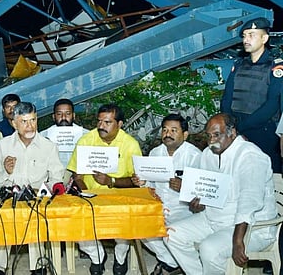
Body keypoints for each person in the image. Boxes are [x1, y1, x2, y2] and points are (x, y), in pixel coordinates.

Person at [166, 113, 277, 274]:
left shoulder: (250, 156)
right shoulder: (208, 154)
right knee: (171, 234)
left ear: (232, 133)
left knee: (209, 249)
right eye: (208, 135)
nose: (211, 140)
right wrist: (197, 203)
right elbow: (205, 192)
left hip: (252, 227)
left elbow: (249, 201)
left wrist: (238, 240)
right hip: (215, 219)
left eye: (217, 135)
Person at [0, 102, 65, 275]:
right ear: (14, 123)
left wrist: (42, 191)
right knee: (1, 220)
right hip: (9, 201)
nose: (30, 126)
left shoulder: (49, 146)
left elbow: (57, 180)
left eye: (33, 120)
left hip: (36, 201)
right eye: (24, 121)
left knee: (36, 218)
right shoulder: (3, 145)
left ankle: (38, 268)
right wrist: (6, 172)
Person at [67, 103, 142, 275]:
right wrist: (86, 194)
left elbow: (136, 181)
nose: (101, 126)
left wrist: (111, 181)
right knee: (76, 224)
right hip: (89, 195)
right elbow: (77, 176)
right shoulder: (86, 140)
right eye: (99, 121)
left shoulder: (130, 144)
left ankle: (121, 257)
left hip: (120, 197)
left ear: (120, 124)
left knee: (124, 227)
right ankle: (97, 257)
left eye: (107, 122)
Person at [131, 114, 201, 275]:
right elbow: (150, 184)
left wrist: (184, 187)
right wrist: (142, 182)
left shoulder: (195, 156)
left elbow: (202, 192)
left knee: (170, 231)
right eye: (164, 130)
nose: (167, 134)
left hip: (184, 210)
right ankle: (170, 261)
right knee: (136, 226)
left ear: (185, 135)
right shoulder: (155, 153)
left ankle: (172, 264)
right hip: (159, 206)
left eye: (173, 130)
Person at [220, 17, 282, 173]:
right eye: (244, 36)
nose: (246, 39)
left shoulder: (275, 66)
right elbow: (227, 98)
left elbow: (272, 104)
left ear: (264, 38)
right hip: (236, 130)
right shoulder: (239, 65)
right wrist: (230, 125)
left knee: (265, 175)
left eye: (252, 35)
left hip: (263, 132)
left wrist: (240, 128)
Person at [40, 98, 89, 172]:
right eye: (59, 114)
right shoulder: (43, 136)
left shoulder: (86, 136)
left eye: (68, 114)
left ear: (73, 115)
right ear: (54, 117)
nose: (63, 117)